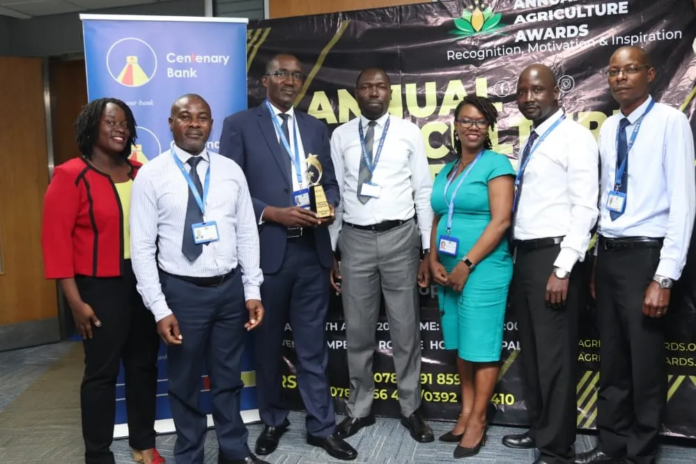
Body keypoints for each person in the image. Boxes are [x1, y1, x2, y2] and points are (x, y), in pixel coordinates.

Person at [218, 54, 357, 461]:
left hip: (311, 252)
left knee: (313, 347)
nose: (290, 81)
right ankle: (273, 420)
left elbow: (329, 183)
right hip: (267, 254)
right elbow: (229, 190)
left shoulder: (314, 127)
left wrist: (329, 206)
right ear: (265, 81)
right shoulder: (239, 125)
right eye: (281, 74)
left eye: (296, 75)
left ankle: (321, 427)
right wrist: (272, 213)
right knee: (267, 346)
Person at [130, 94, 267, 464]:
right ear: (171, 123)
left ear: (211, 124)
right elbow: (141, 247)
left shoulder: (230, 171)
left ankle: (233, 451)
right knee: (185, 382)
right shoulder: (151, 175)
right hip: (182, 293)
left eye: (202, 117)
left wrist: (251, 288)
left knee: (228, 378)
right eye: (185, 116)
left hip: (229, 290)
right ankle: (189, 456)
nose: (194, 123)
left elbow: (246, 233)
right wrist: (159, 308)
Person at [576, 47, 695, 464]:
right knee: (612, 359)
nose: (620, 78)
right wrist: (596, 260)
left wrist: (664, 276)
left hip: (647, 257)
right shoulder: (610, 128)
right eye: (614, 72)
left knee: (644, 363)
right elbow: (607, 197)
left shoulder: (670, 122)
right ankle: (611, 444)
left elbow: (684, 203)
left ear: (651, 73)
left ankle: (641, 453)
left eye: (630, 70)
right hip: (609, 255)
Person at [41, 98, 163, 464]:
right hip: (97, 287)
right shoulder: (70, 174)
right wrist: (75, 302)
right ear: (92, 127)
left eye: (124, 123)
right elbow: (56, 243)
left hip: (143, 283)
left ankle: (143, 445)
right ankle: (97, 454)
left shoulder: (142, 173)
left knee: (143, 367)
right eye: (111, 122)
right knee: (101, 373)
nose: (119, 128)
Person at [328, 67, 434, 444]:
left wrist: (426, 249)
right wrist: (333, 249)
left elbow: (423, 191)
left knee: (406, 329)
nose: (373, 92)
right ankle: (359, 409)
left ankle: (411, 408)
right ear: (355, 93)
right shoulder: (341, 136)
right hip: (354, 239)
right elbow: (336, 195)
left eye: (380, 86)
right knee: (358, 330)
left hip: (400, 237)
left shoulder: (408, 132)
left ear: (390, 92)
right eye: (366, 86)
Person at [502, 64, 599, 464]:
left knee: (555, 357)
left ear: (556, 92)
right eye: (523, 91)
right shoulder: (532, 140)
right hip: (526, 256)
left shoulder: (575, 137)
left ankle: (558, 449)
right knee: (534, 353)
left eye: (538, 90)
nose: (529, 98)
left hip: (555, 258)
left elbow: (586, 207)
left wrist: (563, 268)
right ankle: (541, 428)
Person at [429, 96, 515, 459]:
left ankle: (479, 420)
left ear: (489, 126)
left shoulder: (496, 164)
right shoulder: (448, 170)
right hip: (447, 272)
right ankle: (465, 413)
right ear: (456, 126)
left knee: (481, 346)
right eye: (466, 120)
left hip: (484, 268)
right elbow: (437, 216)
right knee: (462, 344)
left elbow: (501, 221)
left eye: (480, 121)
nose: (473, 127)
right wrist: (432, 258)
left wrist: (466, 262)